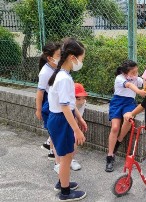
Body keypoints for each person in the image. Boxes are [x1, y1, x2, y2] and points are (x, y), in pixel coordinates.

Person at [47, 38, 87, 201]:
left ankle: (62, 182)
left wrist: (79, 118)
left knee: (67, 154)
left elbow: (69, 104)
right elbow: (64, 107)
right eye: (81, 59)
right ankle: (65, 192)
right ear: (72, 57)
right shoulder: (63, 78)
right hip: (61, 120)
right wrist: (76, 130)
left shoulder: (63, 75)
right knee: (66, 157)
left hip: (60, 119)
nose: (81, 62)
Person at [106, 60, 146, 172]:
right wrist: (139, 91)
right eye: (133, 73)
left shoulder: (137, 79)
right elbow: (128, 85)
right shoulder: (120, 78)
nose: (135, 75)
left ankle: (119, 140)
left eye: (136, 72)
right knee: (115, 127)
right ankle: (110, 157)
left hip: (129, 103)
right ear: (125, 73)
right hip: (117, 102)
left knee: (129, 119)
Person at [36, 42, 61, 162]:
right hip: (50, 104)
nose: (61, 56)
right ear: (50, 58)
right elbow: (40, 92)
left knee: (55, 128)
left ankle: (49, 145)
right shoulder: (45, 72)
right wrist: (38, 109)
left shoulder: (56, 67)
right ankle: (52, 152)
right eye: (59, 54)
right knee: (54, 128)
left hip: (55, 101)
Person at [53, 83, 87, 174]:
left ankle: (70, 160)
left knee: (73, 139)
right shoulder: (63, 101)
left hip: (72, 121)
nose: (81, 101)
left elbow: (77, 117)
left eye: (83, 98)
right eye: (78, 99)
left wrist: (76, 129)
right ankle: (57, 163)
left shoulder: (82, 103)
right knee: (57, 140)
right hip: (59, 120)